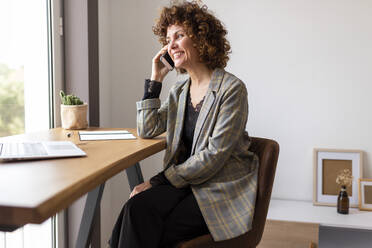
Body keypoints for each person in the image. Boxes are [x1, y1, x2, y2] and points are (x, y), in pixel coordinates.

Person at [109, 1, 259, 247]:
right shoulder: (180, 89)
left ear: (202, 39)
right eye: (168, 39)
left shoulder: (232, 89)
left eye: (179, 36)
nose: (171, 45)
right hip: (185, 184)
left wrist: (156, 181)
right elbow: (148, 129)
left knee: (148, 224)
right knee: (137, 208)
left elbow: (213, 157)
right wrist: (155, 79)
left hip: (217, 188)